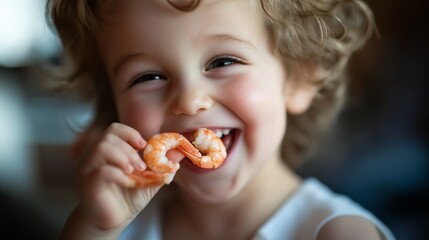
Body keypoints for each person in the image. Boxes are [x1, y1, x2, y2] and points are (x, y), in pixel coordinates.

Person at [46, 0, 396, 239]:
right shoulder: (119, 226)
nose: (188, 100)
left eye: (223, 62)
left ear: (299, 77)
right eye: (147, 77)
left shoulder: (337, 233)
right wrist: (94, 227)